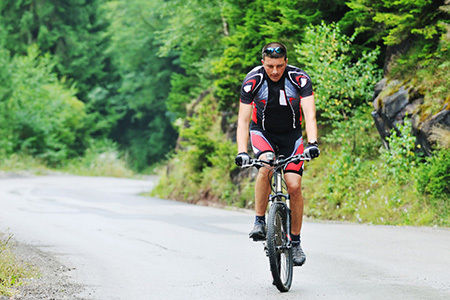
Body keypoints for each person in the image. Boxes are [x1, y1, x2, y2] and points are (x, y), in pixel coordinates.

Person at [234, 42, 320, 266]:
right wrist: (242, 151)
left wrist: (312, 143)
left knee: (294, 186)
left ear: (286, 63)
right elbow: (243, 121)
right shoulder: (253, 80)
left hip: (291, 136)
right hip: (262, 133)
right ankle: (260, 221)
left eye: (279, 66)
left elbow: (309, 115)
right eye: (270, 65)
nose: (274, 71)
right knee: (265, 165)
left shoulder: (299, 79)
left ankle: (295, 242)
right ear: (263, 62)